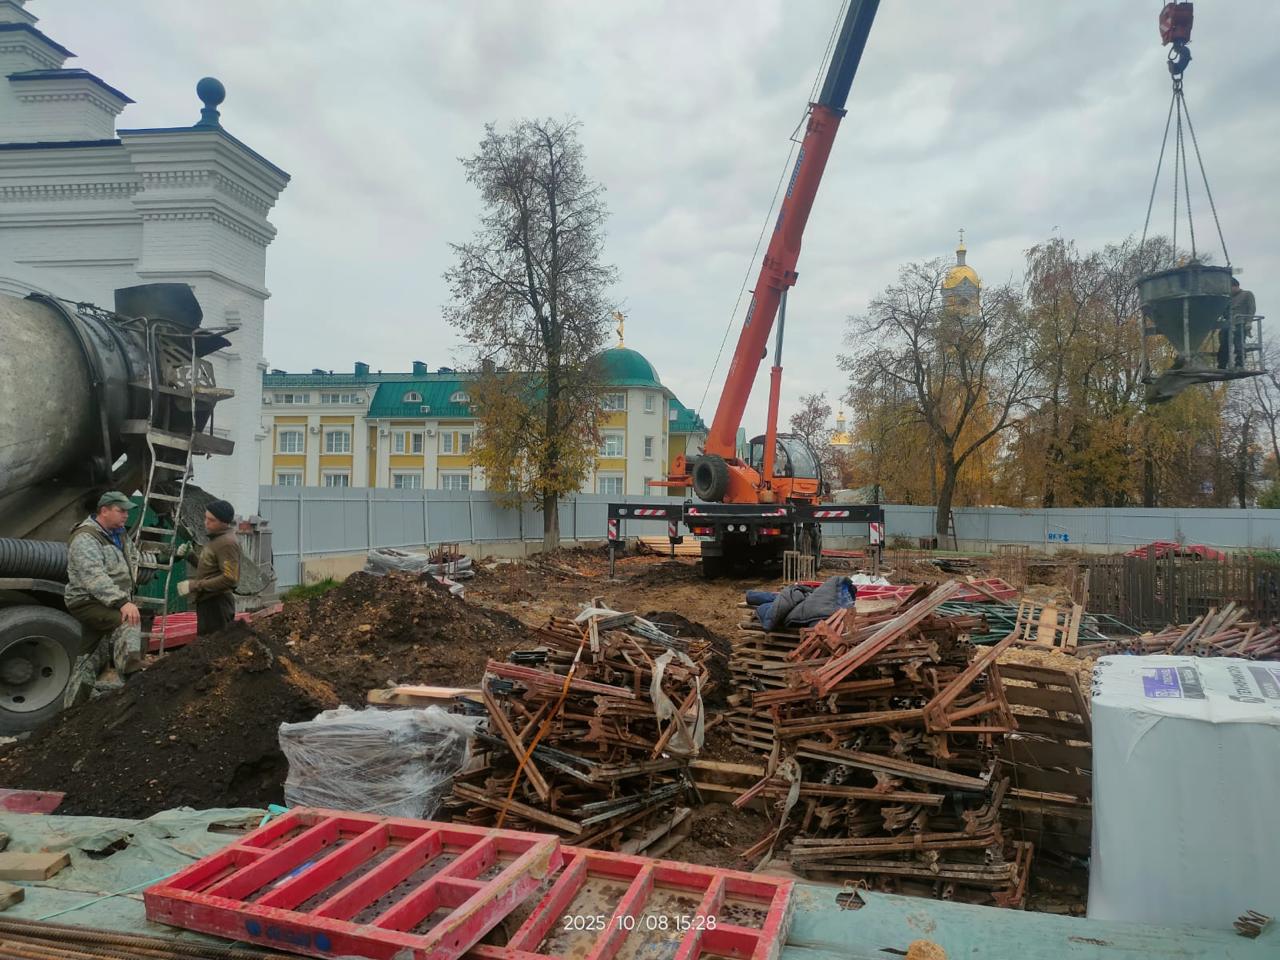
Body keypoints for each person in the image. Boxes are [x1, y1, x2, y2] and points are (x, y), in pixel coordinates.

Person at [63, 490, 144, 706]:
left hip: (105, 601)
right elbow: (93, 577)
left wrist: (160, 559)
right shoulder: (86, 537)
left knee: (89, 657)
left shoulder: (120, 534)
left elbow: (133, 559)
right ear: (104, 511)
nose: (126, 515)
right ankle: (133, 678)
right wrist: (123, 602)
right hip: (87, 601)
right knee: (128, 620)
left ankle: (71, 710)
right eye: (121, 510)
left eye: (127, 511)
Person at [178, 499, 240, 636]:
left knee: (214, 646)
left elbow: (230, 579)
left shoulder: (227, 543)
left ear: (224, 522)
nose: (206, 522)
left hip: (217, 604)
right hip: (209, 602)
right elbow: (212, 568)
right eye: (206, 518)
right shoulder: (217, 539)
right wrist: (191, 556)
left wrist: (194, 585)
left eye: (211, 520)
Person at [1219, 277, 1256, 369]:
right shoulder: (1228, 298)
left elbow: (1252, 308)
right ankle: (1222, 364)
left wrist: (1249, 322)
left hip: (1240, 322)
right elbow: (1224, 311)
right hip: (1228, 323)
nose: (1229, 291)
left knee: (1238, 343)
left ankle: (1239, 363)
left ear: (1235, 286)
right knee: (1223, 344)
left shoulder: (1247, 294)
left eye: (1230, 288)